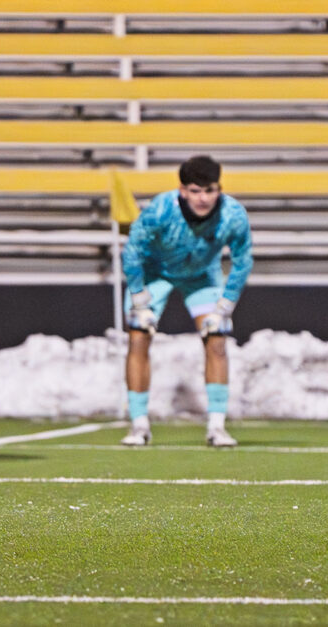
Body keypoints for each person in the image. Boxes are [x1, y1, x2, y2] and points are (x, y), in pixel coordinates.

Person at [120, 155, 253, 447]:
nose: (203, 198)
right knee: (138, 335)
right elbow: (132, 251)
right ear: (182, 190)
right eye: (195, 190)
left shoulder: (232, 215)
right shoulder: (161, 210)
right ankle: (139, 424)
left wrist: (225, 305)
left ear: (219, 189)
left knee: (216, 338)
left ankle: (217, 427)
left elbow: (243, 261)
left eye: (210, 190)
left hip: (202, 276)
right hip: (157, 274)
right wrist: (138, 296)